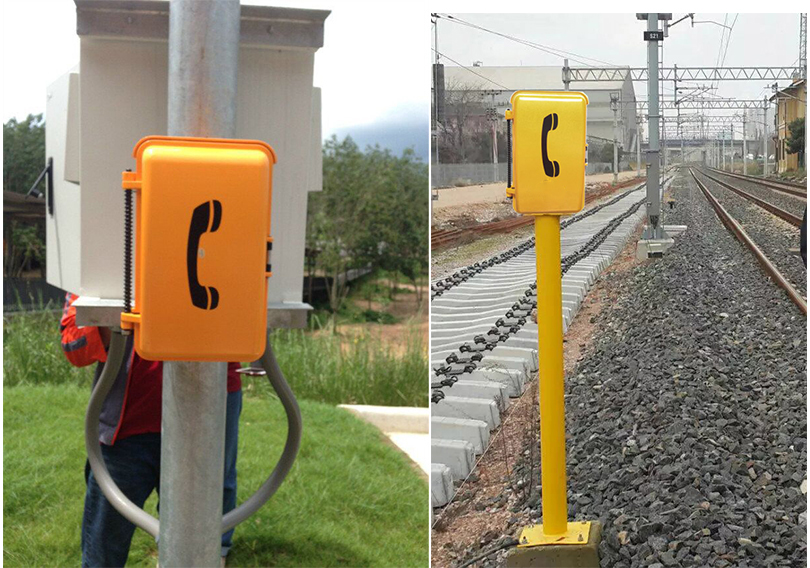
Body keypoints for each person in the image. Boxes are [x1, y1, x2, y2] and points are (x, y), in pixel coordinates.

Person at [60, 292, 242, 568]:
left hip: (209, 404)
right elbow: (75, 345)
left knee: (198, 549)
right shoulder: (105, 256)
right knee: (104, 549)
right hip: (129, 424)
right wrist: (121, 313)